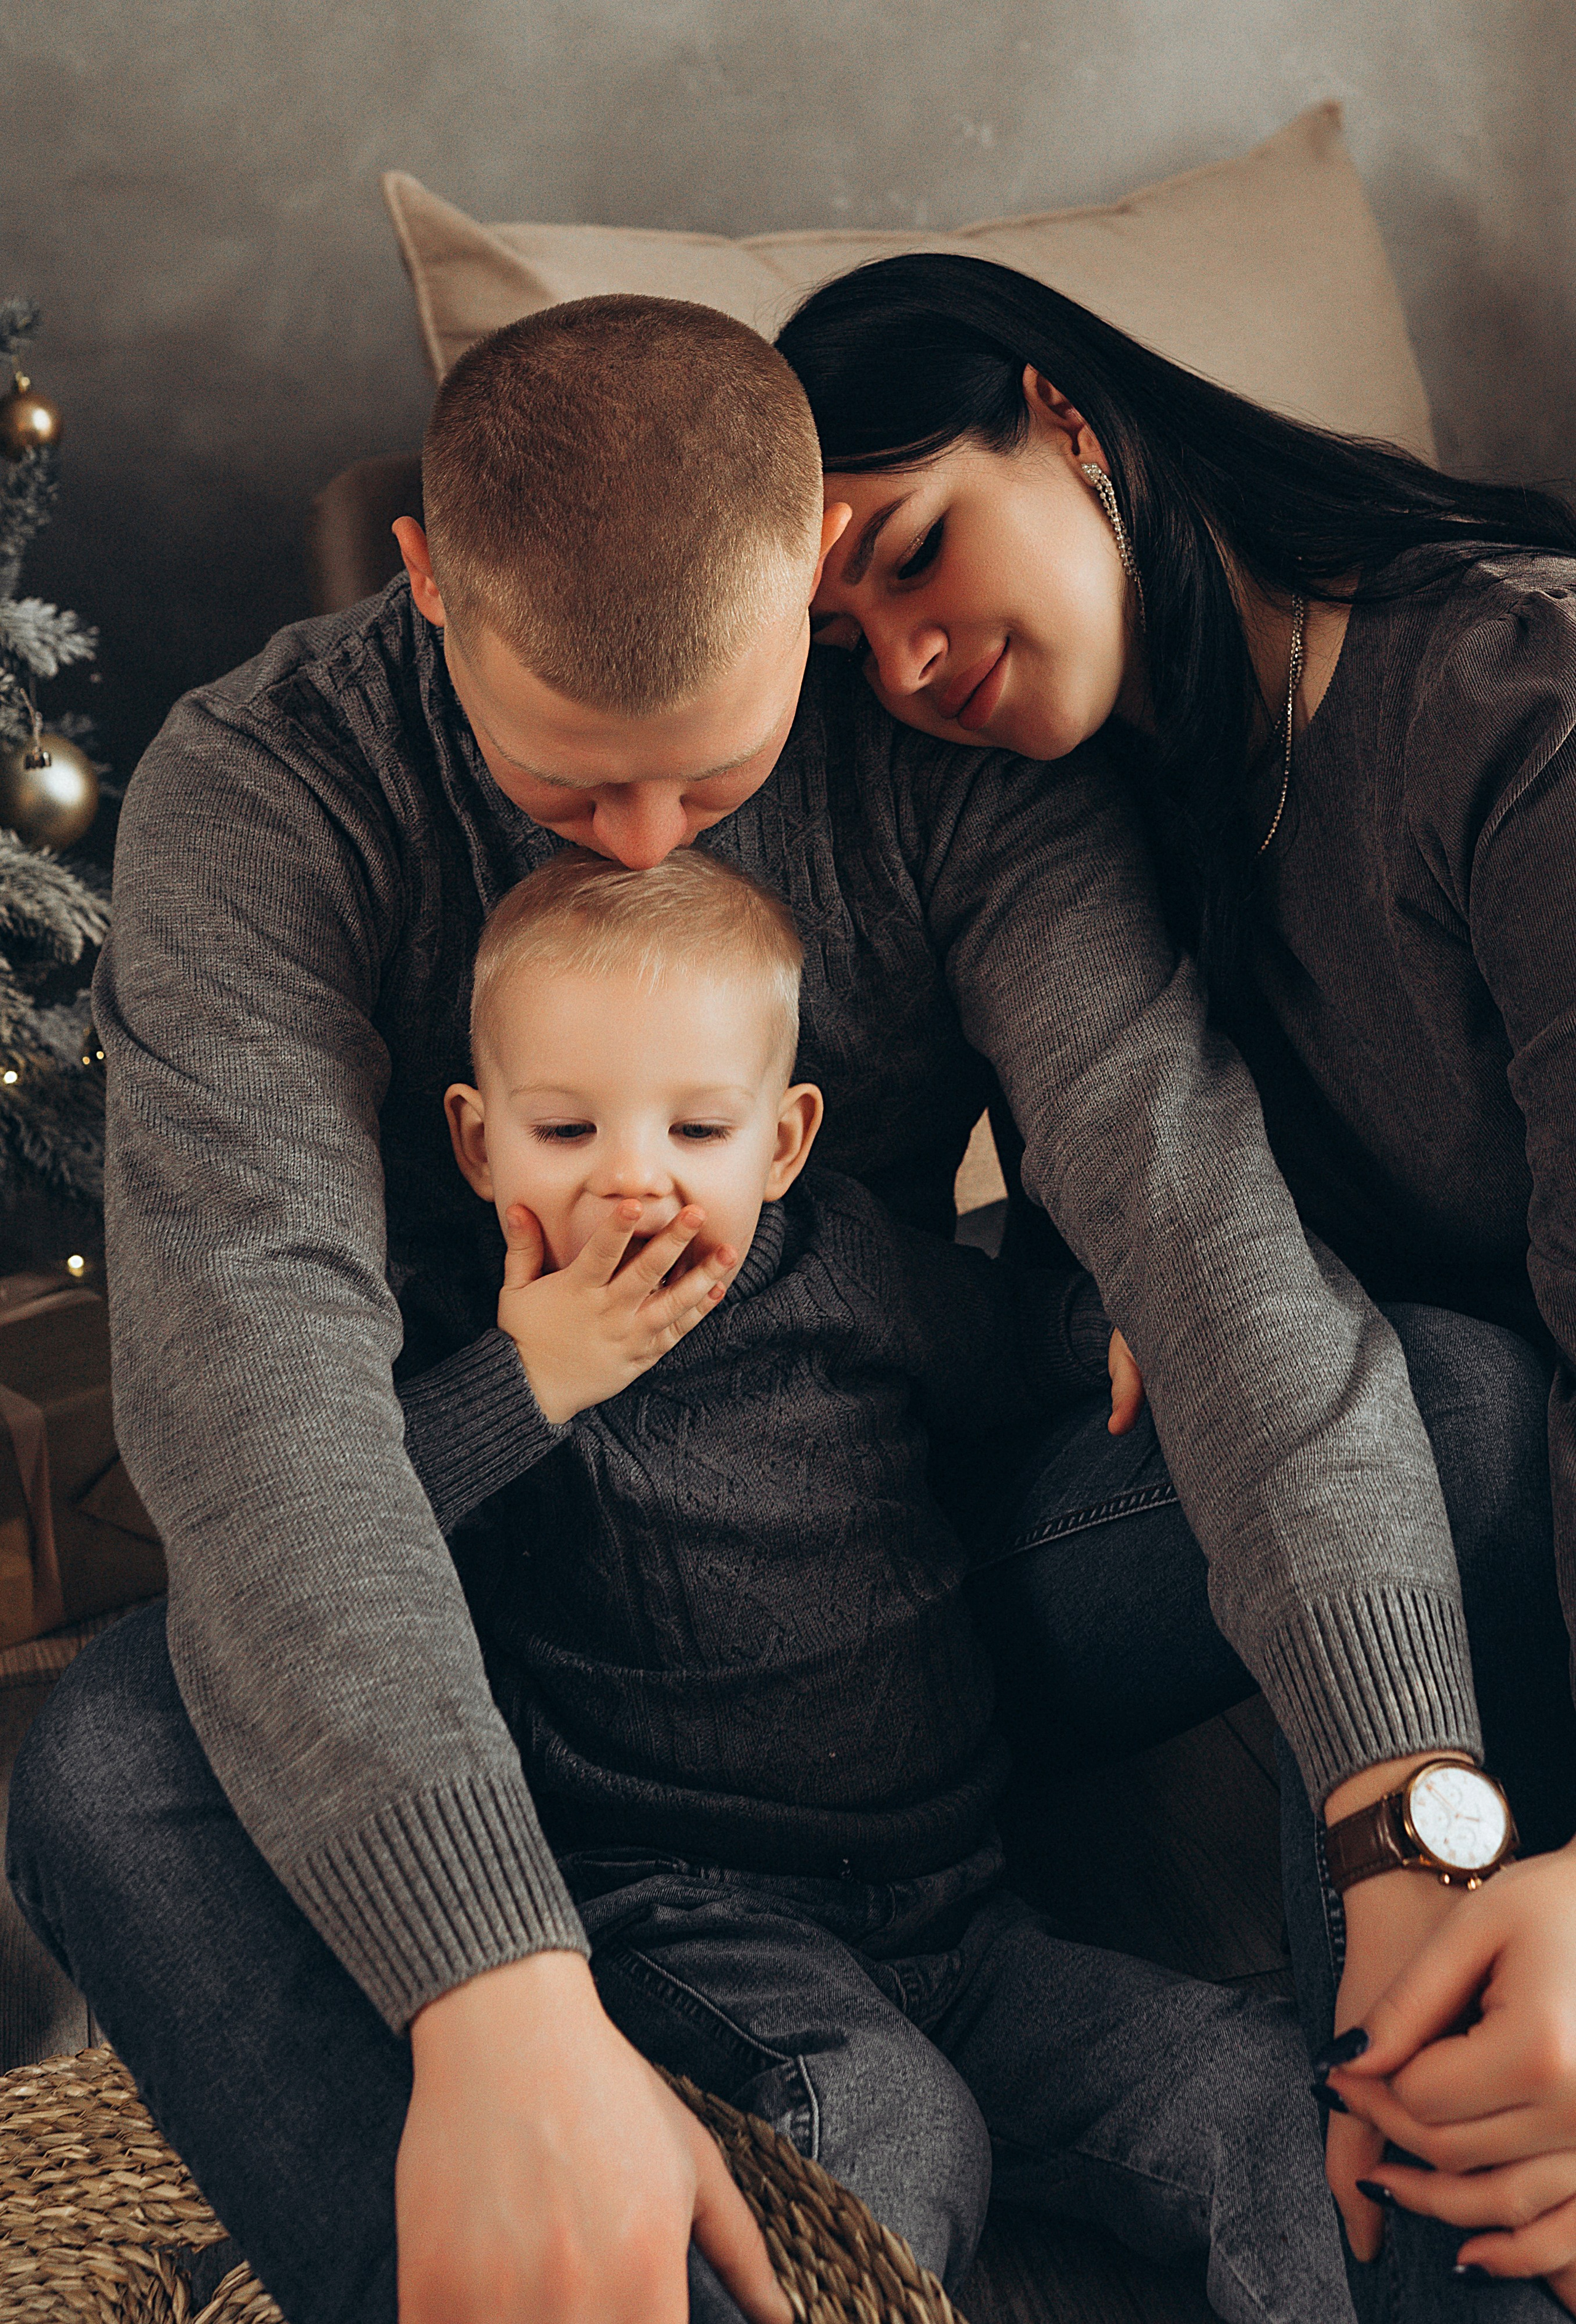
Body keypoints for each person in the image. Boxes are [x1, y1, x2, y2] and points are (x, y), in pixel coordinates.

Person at [1, 292, 1545, 2324]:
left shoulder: (921, 732)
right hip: (501, 1623)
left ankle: (1466, 2237)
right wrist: (496, 1998)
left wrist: (1406, 1829)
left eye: (715, 781)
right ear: (431, 586)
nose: (651, 858)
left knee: (1440, 1406)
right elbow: (259, 1401)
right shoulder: (269, 798)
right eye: (574, 799)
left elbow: (1197, 1213)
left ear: (804, 575)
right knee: (109, 1752)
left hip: (889, 1579)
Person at [776, 249, 1576, 2309]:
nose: (904, 659)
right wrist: (1148, 1277)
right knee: (1414, 1391)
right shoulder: (1085, 792)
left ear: (1062, 413)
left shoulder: (1512, 707)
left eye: (911, 550)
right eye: (837, 637)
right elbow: (1053, 1271)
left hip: (1480, 1451)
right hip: (1208, 1483)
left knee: (1454, 1401)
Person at [392, 838, 1353, 2318]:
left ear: (781, 1144)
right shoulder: (474, 1334)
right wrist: (529, 1382)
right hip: (680, 1919)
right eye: (568, 1129)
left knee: (1247, 2094)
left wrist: (1109, 1320)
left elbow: (987, 1335)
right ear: (478, 1143)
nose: (636, 1179)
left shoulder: (830, 1260)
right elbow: (363, 1534)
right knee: (889, 2130)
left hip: (957, 1908)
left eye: (696, 1130)